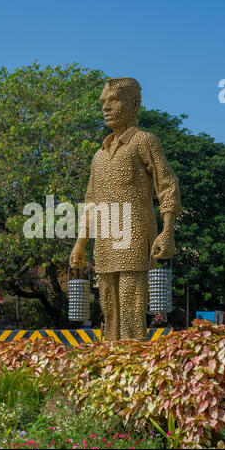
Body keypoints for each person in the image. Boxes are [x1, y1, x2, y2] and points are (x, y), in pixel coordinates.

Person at [69, 78, 182, 341]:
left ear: (134, 104)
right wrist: (80, 243)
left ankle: (133, 362)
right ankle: (111, 363)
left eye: (113, 101)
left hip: (134, 234)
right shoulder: (99, 156)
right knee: (108, 307)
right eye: (103, 103)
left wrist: (168, 231)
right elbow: (90, 202)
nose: (106, 108)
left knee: (131, 305)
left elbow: (167, 184)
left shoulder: (144, 141)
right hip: (106, 239)